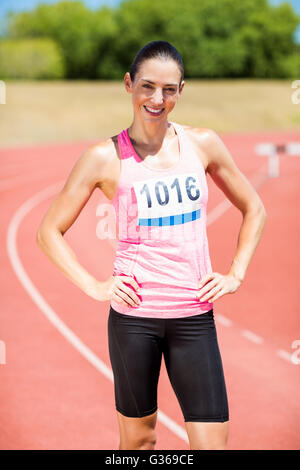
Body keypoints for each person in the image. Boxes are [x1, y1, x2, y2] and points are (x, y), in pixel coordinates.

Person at [37, 40, 267, 450]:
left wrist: (236, 274)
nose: (157, 99)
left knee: (213, 445)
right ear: (129, 84)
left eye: (169, 89)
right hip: (134, 322)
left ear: (181, 91)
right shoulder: (104, 157)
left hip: (194, 317)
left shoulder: (203, 144)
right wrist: (94, 285)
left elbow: (255, 208)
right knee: (139, 442)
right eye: (147, 86)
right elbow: (48, 231)